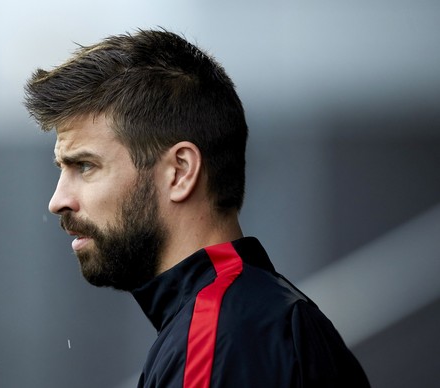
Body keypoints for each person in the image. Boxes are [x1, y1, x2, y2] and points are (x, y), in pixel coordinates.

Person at [24, 29, 370, 388]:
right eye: (62, 169)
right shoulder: (258, 318)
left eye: (85, 166)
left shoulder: (219, 336)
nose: (57, 201)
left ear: (180, 172)